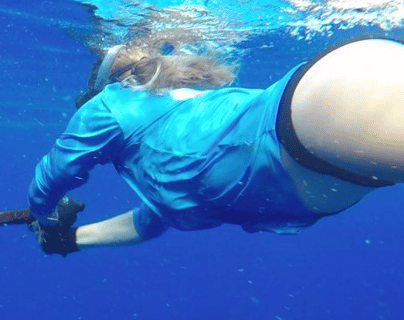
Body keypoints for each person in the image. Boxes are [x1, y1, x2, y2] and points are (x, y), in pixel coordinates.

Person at [27, 36, 404, 256]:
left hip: (312, 130)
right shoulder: (180, 116)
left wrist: (46, 215)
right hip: (329, 97)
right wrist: (70, 239)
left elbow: (52, 176)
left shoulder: (109, 104)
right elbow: (151, 219)